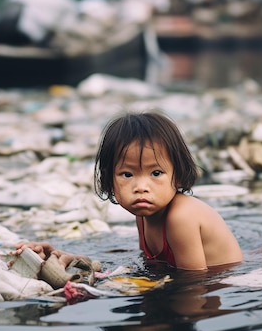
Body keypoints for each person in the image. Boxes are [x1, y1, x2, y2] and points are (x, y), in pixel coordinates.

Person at [16, 110, 243, 271]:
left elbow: (193, 286)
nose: (141, 187)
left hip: (225, 282)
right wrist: (65, 257)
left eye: (156, 173)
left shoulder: (180, 218)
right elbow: (152, 265)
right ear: (109, 181)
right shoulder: (144, 215)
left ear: (179, 175)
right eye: (127, 174)